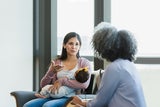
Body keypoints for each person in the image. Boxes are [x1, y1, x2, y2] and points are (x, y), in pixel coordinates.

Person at [70, 22, 147, 107]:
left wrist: (81, 102)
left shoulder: (114, 68)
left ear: (106, 48)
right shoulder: (130, 65)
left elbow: (100, 102)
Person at [23, 32, 92, 107]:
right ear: (64, 45)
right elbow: (43, 85)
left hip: (70, 98)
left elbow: (84, 84)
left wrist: (62, 81)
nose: (73, 47)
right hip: (53, 95)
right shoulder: (57, 62)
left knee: (48, 106)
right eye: (70, 43)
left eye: (76, 44)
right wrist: (51, 72)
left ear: (80, 47)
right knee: (28, 105)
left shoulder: (84, 63)